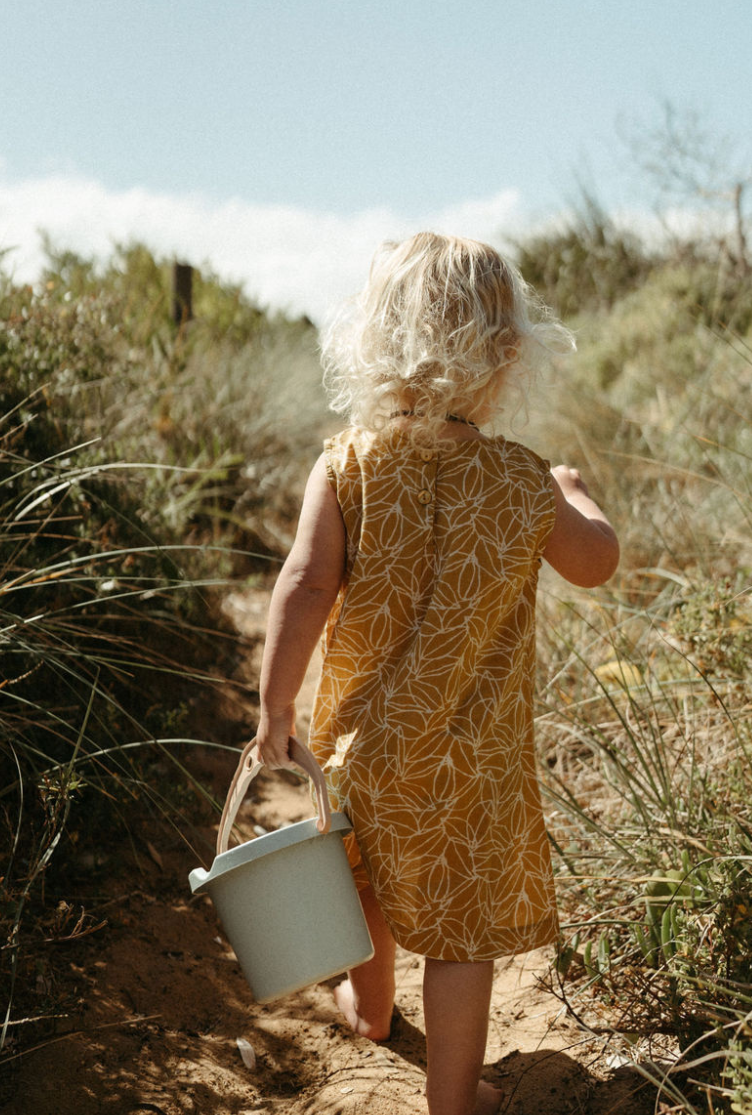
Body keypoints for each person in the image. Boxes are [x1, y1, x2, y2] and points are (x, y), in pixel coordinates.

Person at [255, 231, 618, 1115]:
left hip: (361, 750)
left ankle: (371, 1011)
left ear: (376, 346)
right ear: (507, 356)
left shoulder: (346, 465)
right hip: (472, 768)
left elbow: (303, 585)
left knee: (366, 884)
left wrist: (274, 711)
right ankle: (455, 1098)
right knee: (460, 938)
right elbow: (597, 562)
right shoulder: (523, 480)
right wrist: (571, 493)